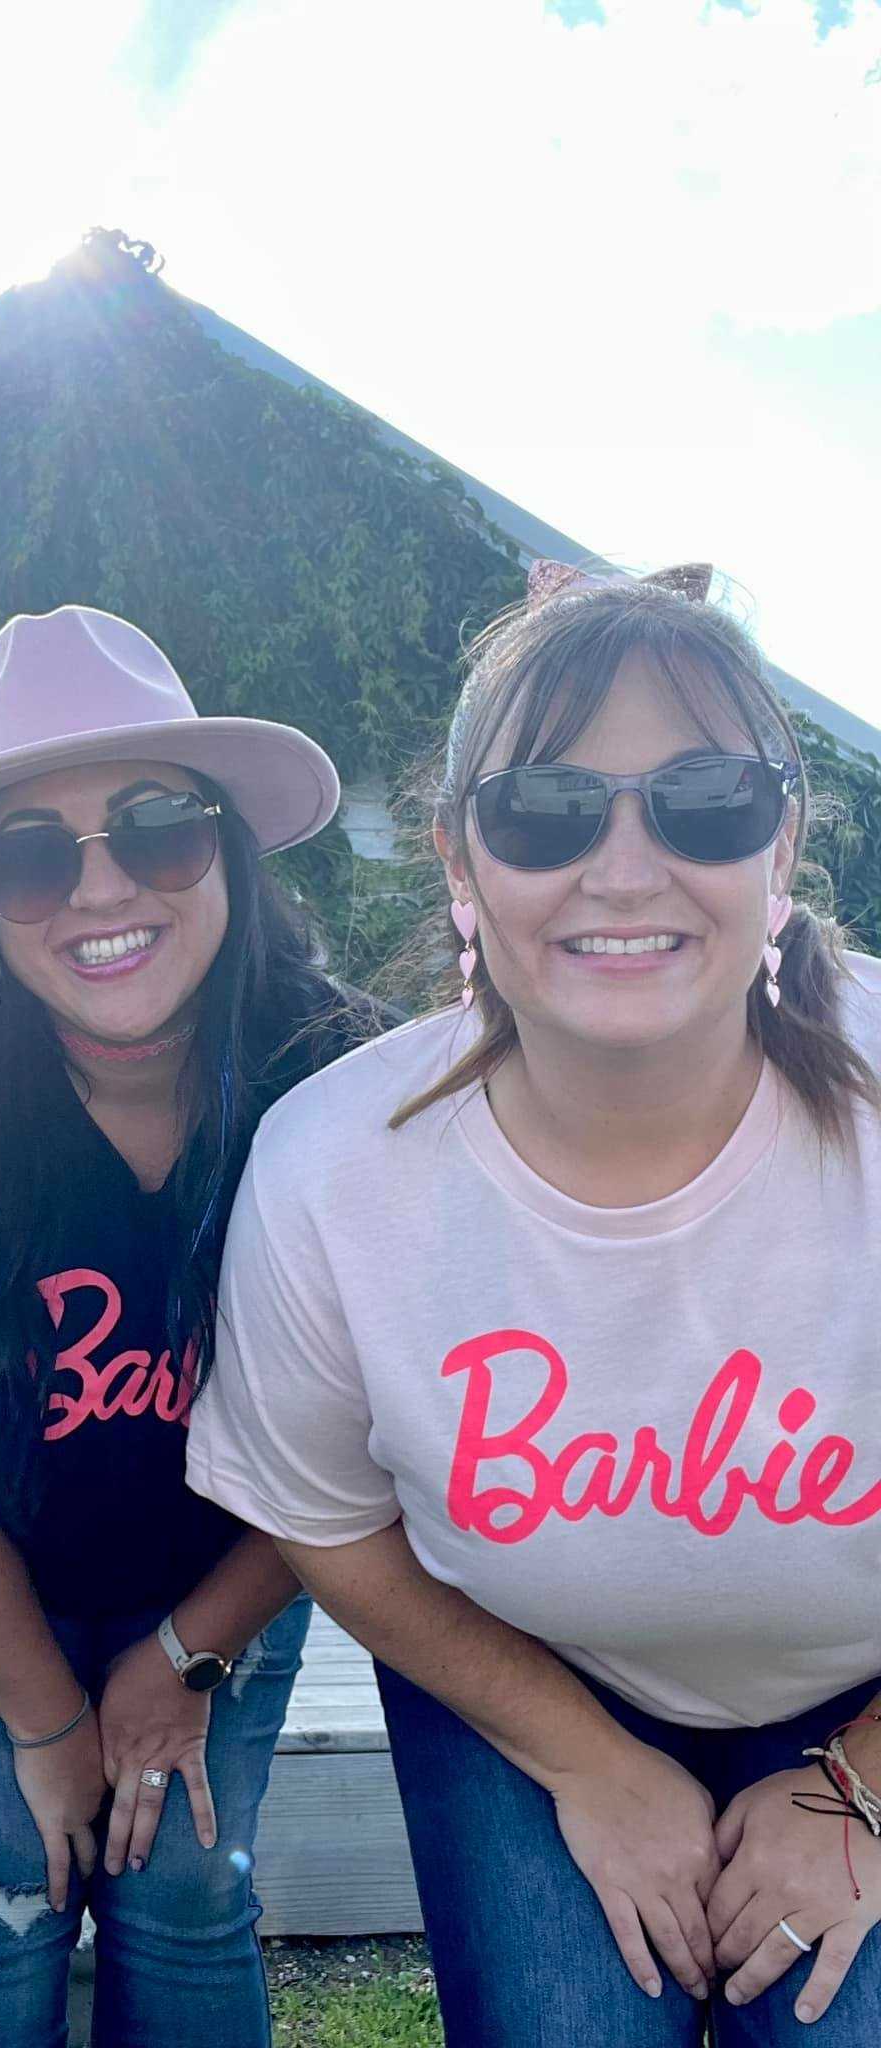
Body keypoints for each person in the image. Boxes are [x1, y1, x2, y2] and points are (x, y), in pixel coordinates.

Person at [186, 561, 881, 2047]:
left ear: (783, 839)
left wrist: (864, 1787)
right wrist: (584, 1758)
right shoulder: (332, 1166)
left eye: (700, 801)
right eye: (550, 811)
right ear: (461, 859)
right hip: (520, 1672)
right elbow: (322, 1515)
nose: (623, 872)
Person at [0, 604, 373, 2048]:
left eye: (157, 828)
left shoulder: (346, 1087)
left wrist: (181, 1660)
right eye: (34, 854)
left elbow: (358, 1448)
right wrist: (53, 1725)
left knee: (183, 1883)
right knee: (8, 1871)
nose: (101, 888)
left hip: (235, 1545)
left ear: (227, 846)